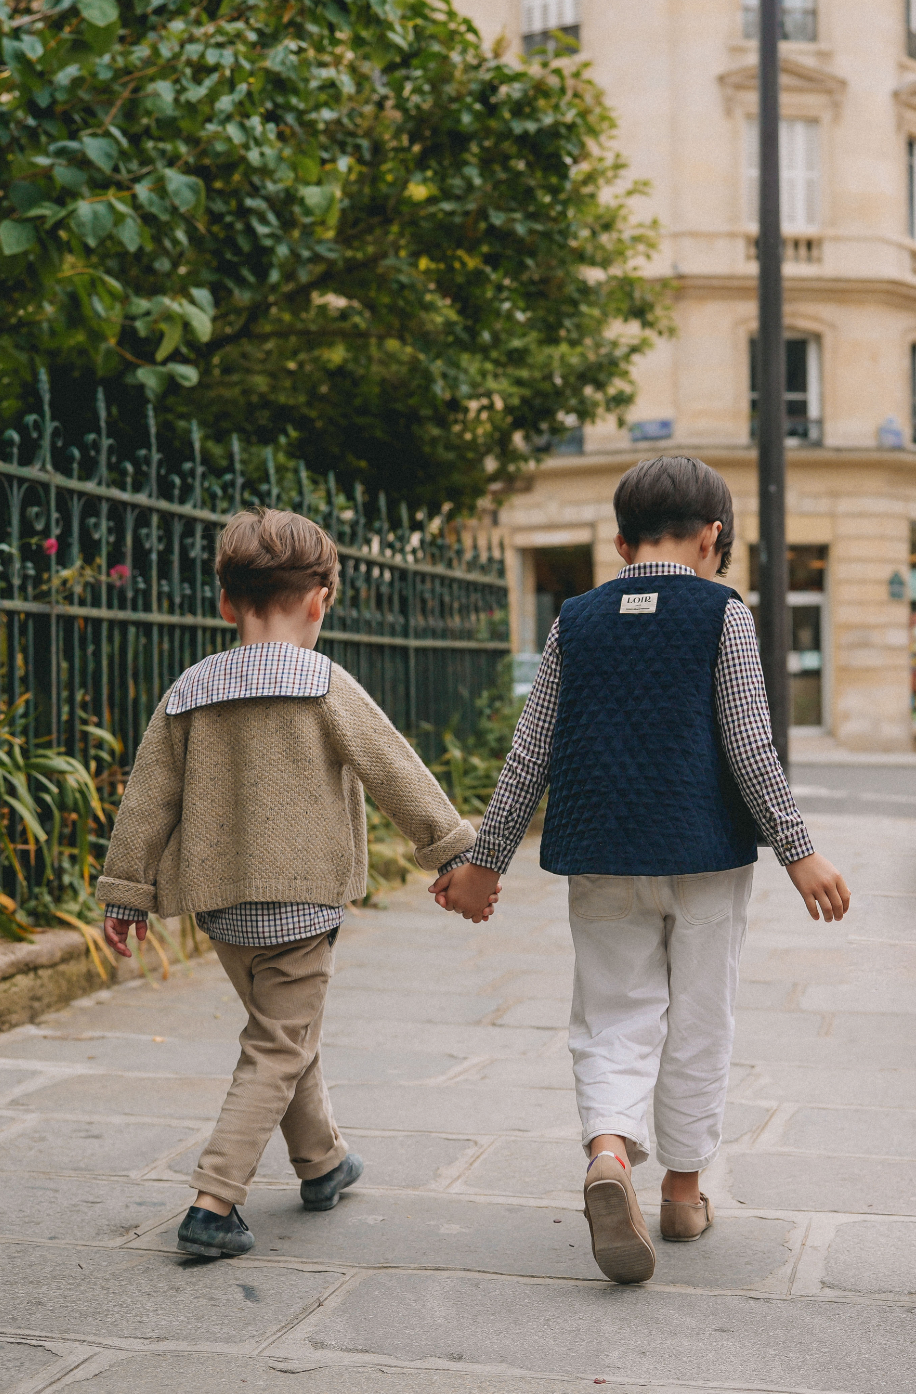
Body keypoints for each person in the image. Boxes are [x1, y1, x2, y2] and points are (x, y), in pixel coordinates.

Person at [430, 455, 849, 1285]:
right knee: (700, 1019)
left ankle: (611, 1153)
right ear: (714, 538)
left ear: (620, 543)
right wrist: (799, 850)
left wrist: (484, 861)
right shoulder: (723, 615)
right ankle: (683, 1194)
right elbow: (749, 745)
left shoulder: (574, 620)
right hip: (705, 859)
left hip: (602, 855)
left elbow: (530, 752)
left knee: (613, 1014)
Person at [98, 507, 491, 1258]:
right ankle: (214, 1203)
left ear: (225, 603)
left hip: (221, 911)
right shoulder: (323, 683)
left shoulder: (190, 690)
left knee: (284, 1031)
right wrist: (453, 851)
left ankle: (323, 1162)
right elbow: (394, 769)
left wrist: (127, 891)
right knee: (277, 1044)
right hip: (303, 904)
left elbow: (148, 799)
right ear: (321, 600)